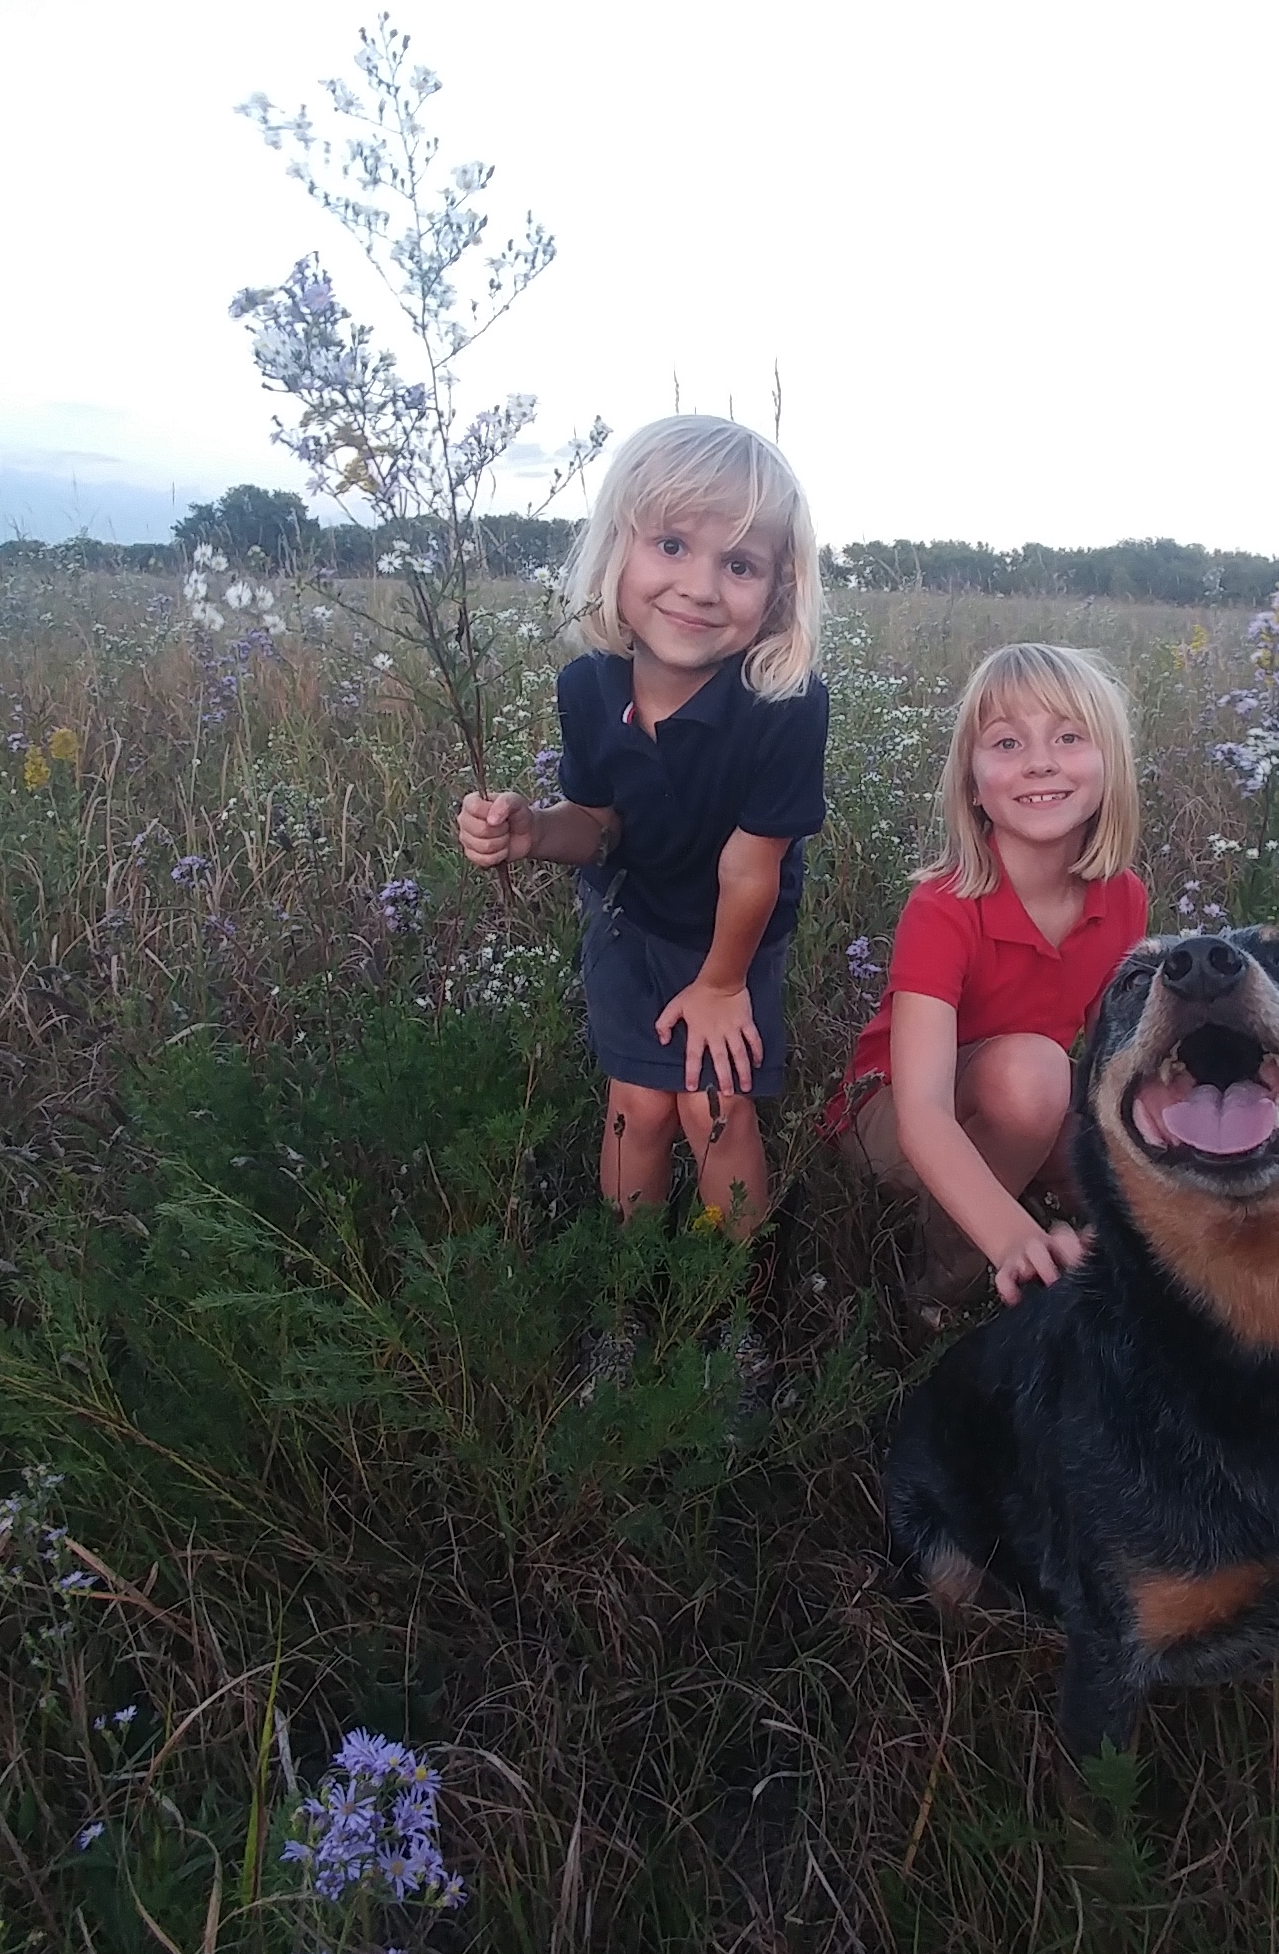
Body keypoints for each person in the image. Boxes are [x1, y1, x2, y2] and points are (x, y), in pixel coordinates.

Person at [455, 416, 827, 1240]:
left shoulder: (783, 705)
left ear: (778, 592)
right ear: (615, 551)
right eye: (670, 545)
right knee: (640, 1106)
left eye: (738, 564)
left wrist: (723, 986)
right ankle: (629, 1298)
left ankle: (736, 1305)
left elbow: (751, 866)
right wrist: (533, 833)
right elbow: (596, 824)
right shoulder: (588, 687)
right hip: (630, 925)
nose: (699, 586)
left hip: (734, 934)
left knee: (716, 1107)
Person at [830, 642, 1148, 1305]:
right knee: (1032, 1077)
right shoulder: (944, 906)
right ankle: (941, 1296)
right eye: (1006, 743)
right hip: (886, 1121)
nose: (1039, 761)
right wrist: (1011, 1237)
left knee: (1117, 1154)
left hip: (1016, 1105)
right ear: (973, 785)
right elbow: (921, 1113)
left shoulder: (1123, 898)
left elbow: (1111, 1067)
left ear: (1109, 765)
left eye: (1068, 736)